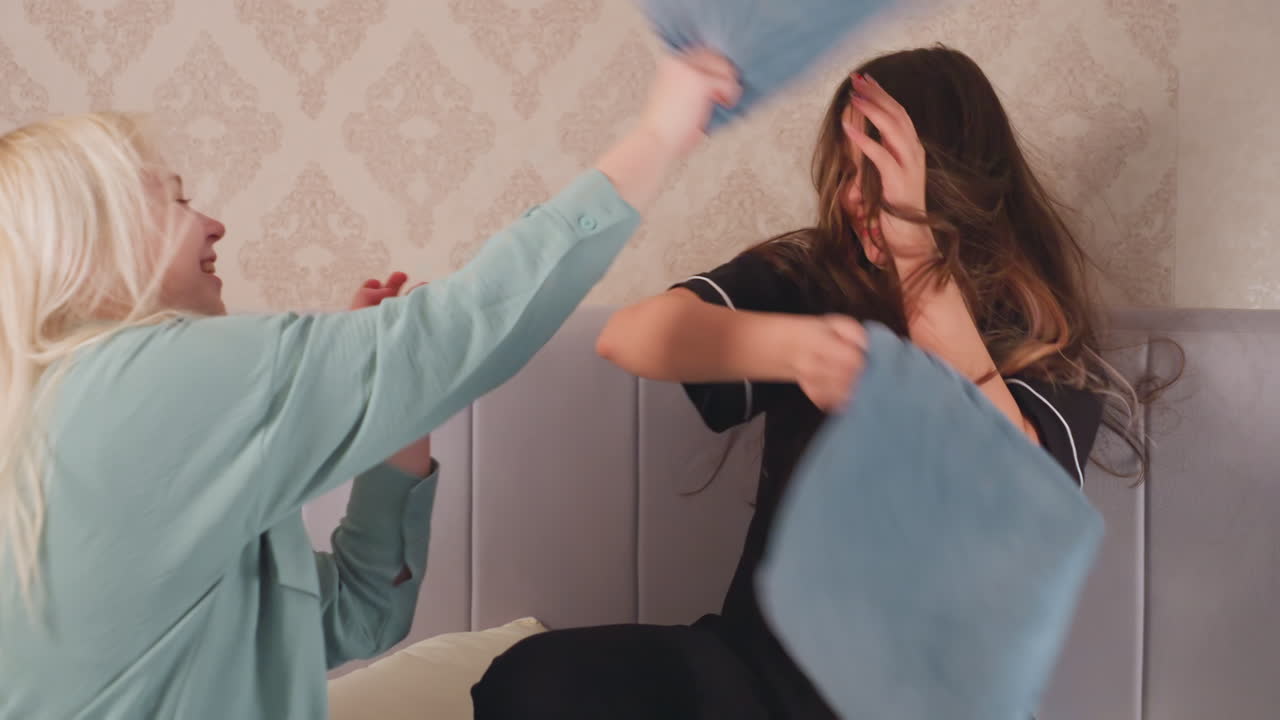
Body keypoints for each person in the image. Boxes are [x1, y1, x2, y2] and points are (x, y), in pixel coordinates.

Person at [0, 50, 740, 719]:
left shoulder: (85, 424)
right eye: (177, 199)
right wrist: (659, 135)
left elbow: (358, 617)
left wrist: (398, 421)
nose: (215, 223)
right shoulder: (137, 383)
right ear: (92, 238)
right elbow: (454, 331)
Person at [472, 45, 1151, 720]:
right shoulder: (815, 277)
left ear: (951, 177)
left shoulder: (1043, 340)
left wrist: (918, 266)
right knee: (533, 681)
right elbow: (632, 336)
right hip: (755, 675)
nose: (857, 195)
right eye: (847, 169)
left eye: (881, 169)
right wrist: (795, 349)